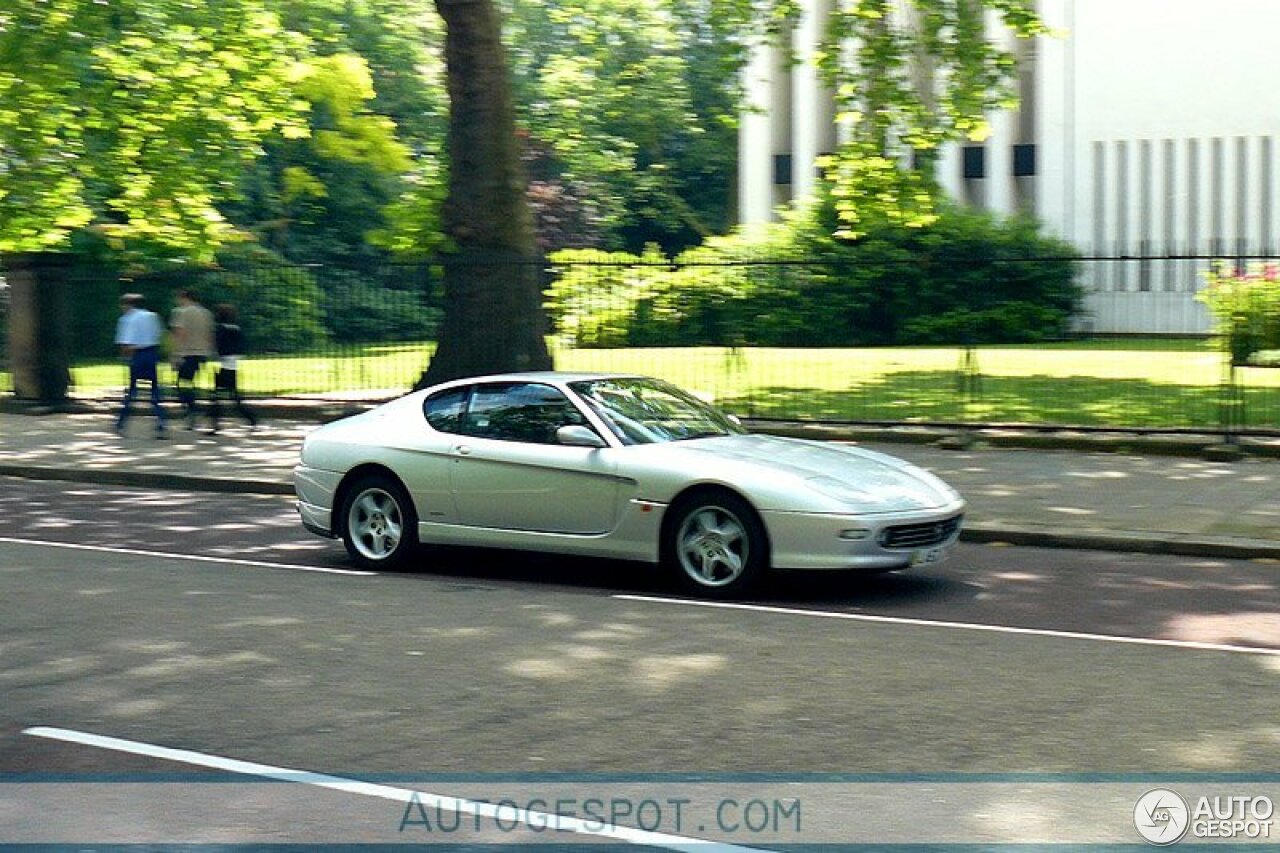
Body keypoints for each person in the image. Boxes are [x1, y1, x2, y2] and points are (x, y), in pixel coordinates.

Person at [114, 293, 168, 438]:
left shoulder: (127, 319)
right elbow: (158, 336)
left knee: (132, 391)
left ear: (129, 304)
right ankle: (161, 422)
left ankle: (121, 423)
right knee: (154, 389)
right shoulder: (153, 316)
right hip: (151, 353)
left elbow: (126, 342)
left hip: (137, 355)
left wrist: (126, 357)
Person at [169, 288, 216, 429]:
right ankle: (194, 410)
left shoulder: (181, 312)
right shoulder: (206, 313)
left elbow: (179, 334)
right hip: (202, 352)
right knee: (190, 382)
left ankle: (192, 410)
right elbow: (210, 334)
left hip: (186, 353)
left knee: (181, 384)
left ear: (184, 297)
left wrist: (174, 354)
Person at [210, 303, 258, 433]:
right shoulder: (236, 329)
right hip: (233, 366)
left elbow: (218, 347)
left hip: (224, 366)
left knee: (217, 397)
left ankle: (216, 424)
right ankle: (251, 419)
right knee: (234, 398)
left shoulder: (220, 329)